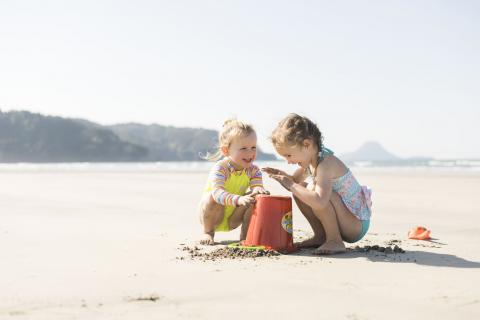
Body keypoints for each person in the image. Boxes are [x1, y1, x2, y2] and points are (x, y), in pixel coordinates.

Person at [263, 114, 372, 254]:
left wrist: (290, 185)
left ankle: (335, 241)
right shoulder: (311, 161)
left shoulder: (325, 164)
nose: (288, 161)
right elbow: (295, 181)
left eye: (289, 155)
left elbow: (320, 201)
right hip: (346, 219)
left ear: (306, 144)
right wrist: (283, 176)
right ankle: (321, 236)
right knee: (301, 189)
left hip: (356, 223)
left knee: (313, 190)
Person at [199, 119, 269, 245]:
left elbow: (256, 185)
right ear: (226, 151)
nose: (250, 153)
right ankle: (208, 232)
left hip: (233, 218)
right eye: (243, 148)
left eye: (253, 147)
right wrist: (238, 199)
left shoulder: (253, 170)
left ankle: (245, 237)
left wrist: (258, 190)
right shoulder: (221, 168)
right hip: (213, 216)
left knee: (256, 197)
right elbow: (217, 193)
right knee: (212, 197)